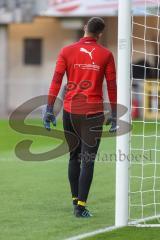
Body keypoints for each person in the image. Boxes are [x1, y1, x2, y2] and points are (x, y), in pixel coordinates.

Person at [43, 17, 117, 218]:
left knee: (73, 157)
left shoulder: (66, 51)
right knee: (88, 160)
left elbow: (56, 80)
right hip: (93, 113)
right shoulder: (106, 55)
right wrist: (116, 112)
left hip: (69, 111)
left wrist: (49, 107)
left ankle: (76, 200)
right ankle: (80, 207)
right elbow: (111, 85)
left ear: (85, 28)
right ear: (100, 34)